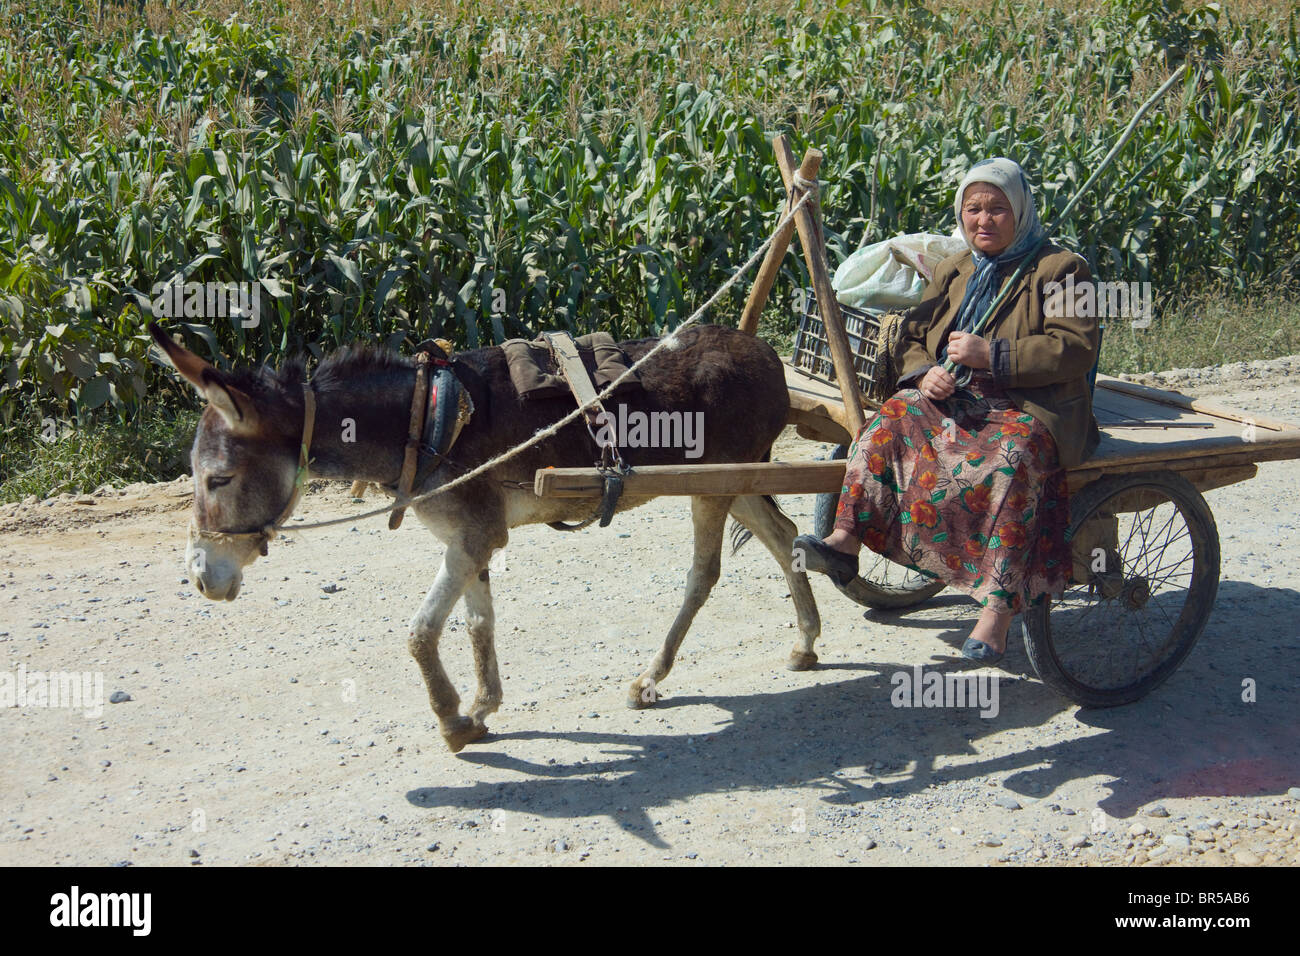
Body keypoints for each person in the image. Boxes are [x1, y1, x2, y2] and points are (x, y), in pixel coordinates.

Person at [793, 157, 1100, 663]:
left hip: (1029, 407)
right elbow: (911, 334)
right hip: (956, 394)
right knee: (890, 420)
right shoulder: (955, 267)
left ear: (1020, 211)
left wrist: (993, 355)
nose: (984, 220)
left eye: (998, 209)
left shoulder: (1064, 269)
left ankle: (996, 614)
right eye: (973, 209)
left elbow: (1076, 348)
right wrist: (921, 373)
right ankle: (845, 541)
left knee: (1010, 460)